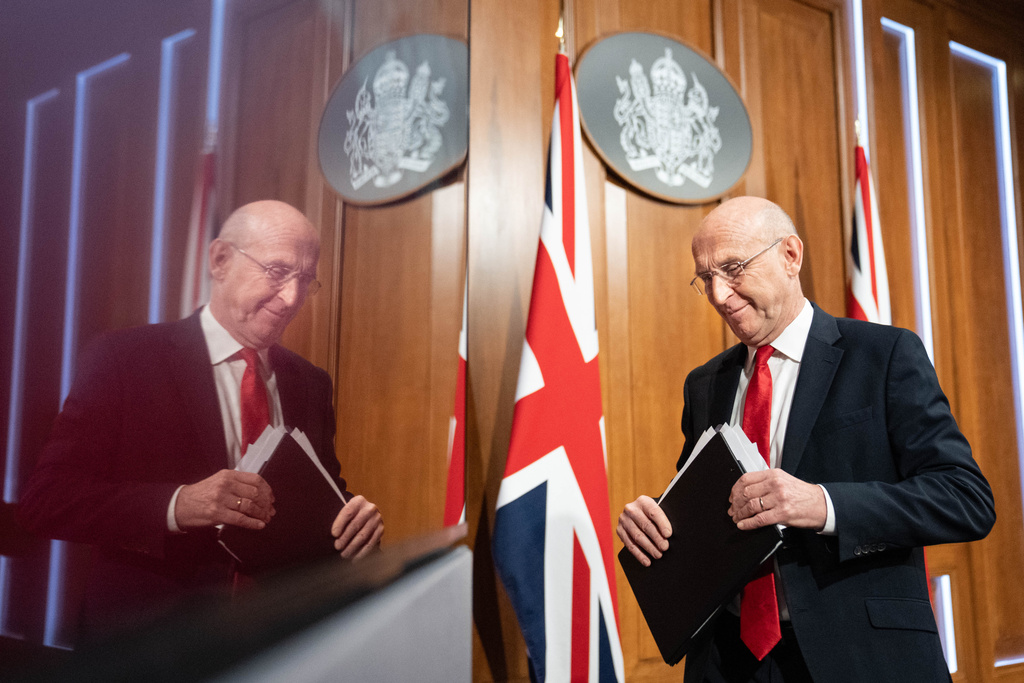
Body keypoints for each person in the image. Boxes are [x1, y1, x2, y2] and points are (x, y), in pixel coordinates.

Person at [617, 196, 995, 682]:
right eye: (705, 278)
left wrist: (822, 504)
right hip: (731, 660)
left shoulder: (884, 356)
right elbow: (708, 511)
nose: (719, 294)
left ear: (790, 256)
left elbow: (965, 499)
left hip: (860, 656)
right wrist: (656, 521)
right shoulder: (705, 384)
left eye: (732, 269)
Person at [19, 200, 383, 640]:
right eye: (277, 271)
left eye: (305, 280)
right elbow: (47, 500)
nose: (291, 298)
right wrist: (178, 505)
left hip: (273, 638)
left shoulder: (310, 383)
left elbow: (317, 498)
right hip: (148, 645)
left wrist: (353, 526)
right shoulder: (124, 360)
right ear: (220, 260)